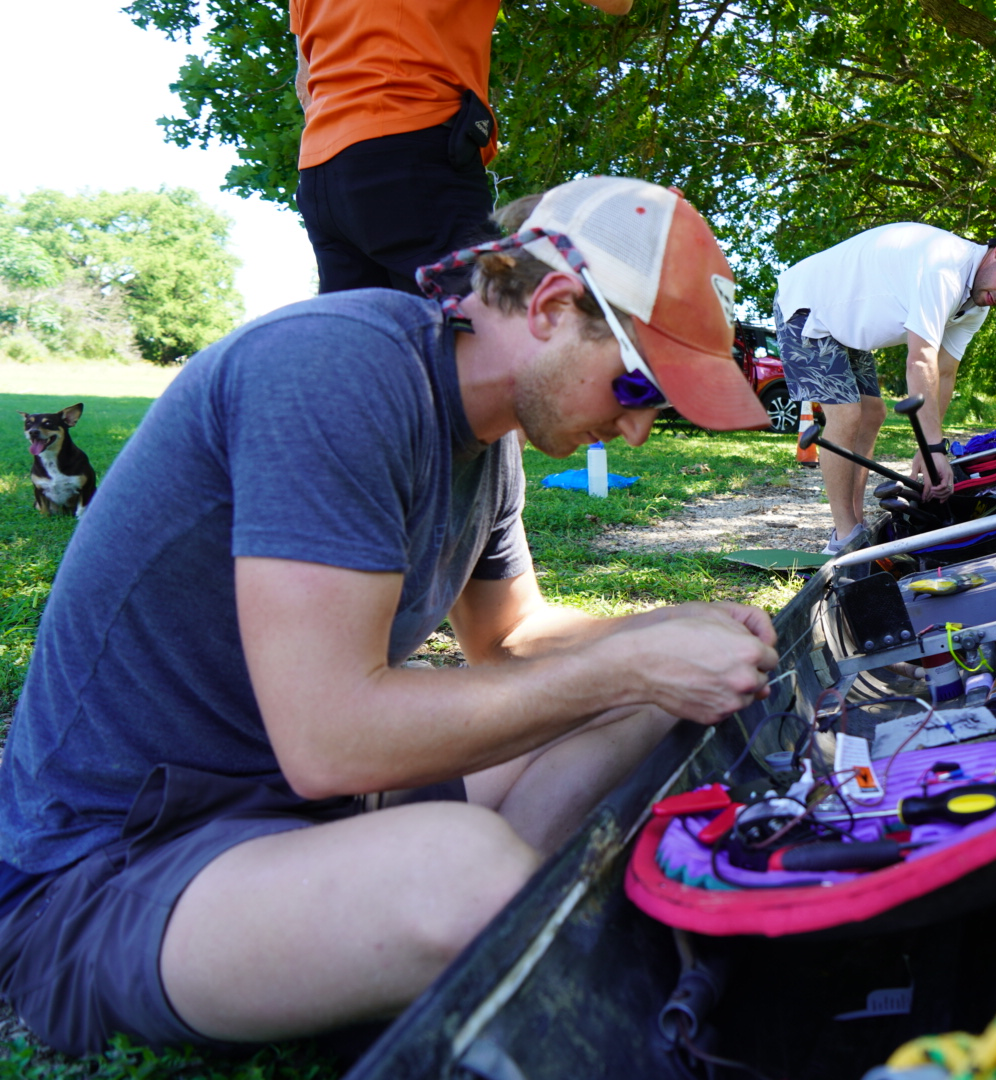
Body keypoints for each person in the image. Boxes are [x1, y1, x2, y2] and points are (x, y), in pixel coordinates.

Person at [0, 176, 774, 1056]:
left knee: (645, 704)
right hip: (113, 865)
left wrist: (666, 630)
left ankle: (472, 942)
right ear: (555, 307)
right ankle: (472, 921)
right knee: (467, 876)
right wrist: (627, 663)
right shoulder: (338, 370)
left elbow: (511, 636)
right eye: (638, 389)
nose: (636, 431)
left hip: (302, 814)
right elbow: (330, 739)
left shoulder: (489, 441)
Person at [291, 0, 632, 295]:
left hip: (322, 170)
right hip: (415, 151)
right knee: (485, 332)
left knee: (370, 353)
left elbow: (305, 83)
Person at [773, 225, 996, 554]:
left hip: (844, 324)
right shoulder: (945, 268)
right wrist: (935, 449)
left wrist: (926, 449)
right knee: (847, 415)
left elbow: (946, 370)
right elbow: (920, 361)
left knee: (872, 413)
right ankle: (843, 538)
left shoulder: (977, 305)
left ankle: (854, 524)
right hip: (807, 305)